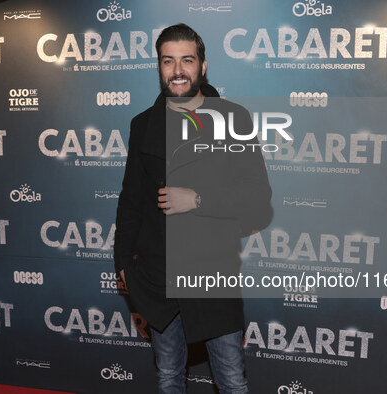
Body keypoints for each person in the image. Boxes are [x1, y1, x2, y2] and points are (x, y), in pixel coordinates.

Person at [114, 23, 272, 394]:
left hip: (212, 275)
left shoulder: (234, 119)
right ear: (159, 67)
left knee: (231, 380)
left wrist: (197, 199)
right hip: (157, 278)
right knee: (169, 376)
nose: (178, 69)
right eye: (168, 61)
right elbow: (131, 202)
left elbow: (257, 197)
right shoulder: (143, 125)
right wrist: (122, 264)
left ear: (203, 65)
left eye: (187, 60)